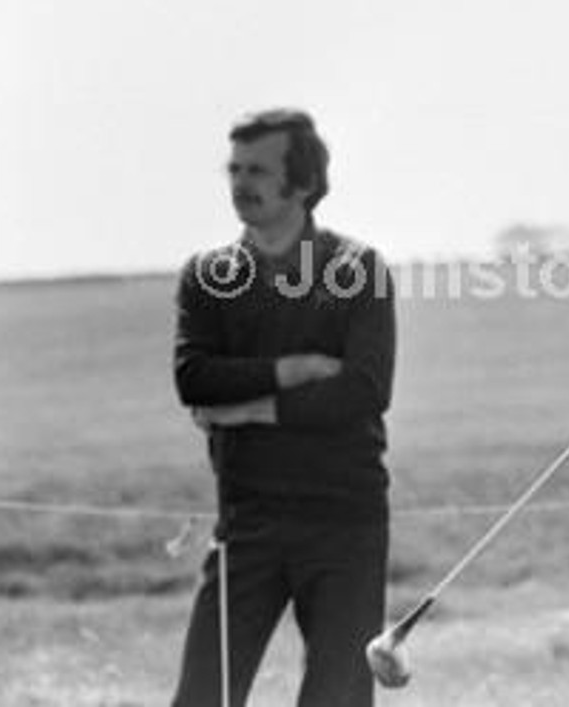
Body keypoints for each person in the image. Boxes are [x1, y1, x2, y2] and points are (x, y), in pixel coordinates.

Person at [171, 109, 395, 707]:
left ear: (301, 181)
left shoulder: (357, 269)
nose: (241, 183)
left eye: (259, 170)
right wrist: (292, 372)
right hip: (247, 522)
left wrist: (249, 410)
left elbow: (364, 392)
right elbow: (194, 379)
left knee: (338, 699)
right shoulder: (207, 276)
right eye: (235, 169)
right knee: (202, 698)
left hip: (345, 520)